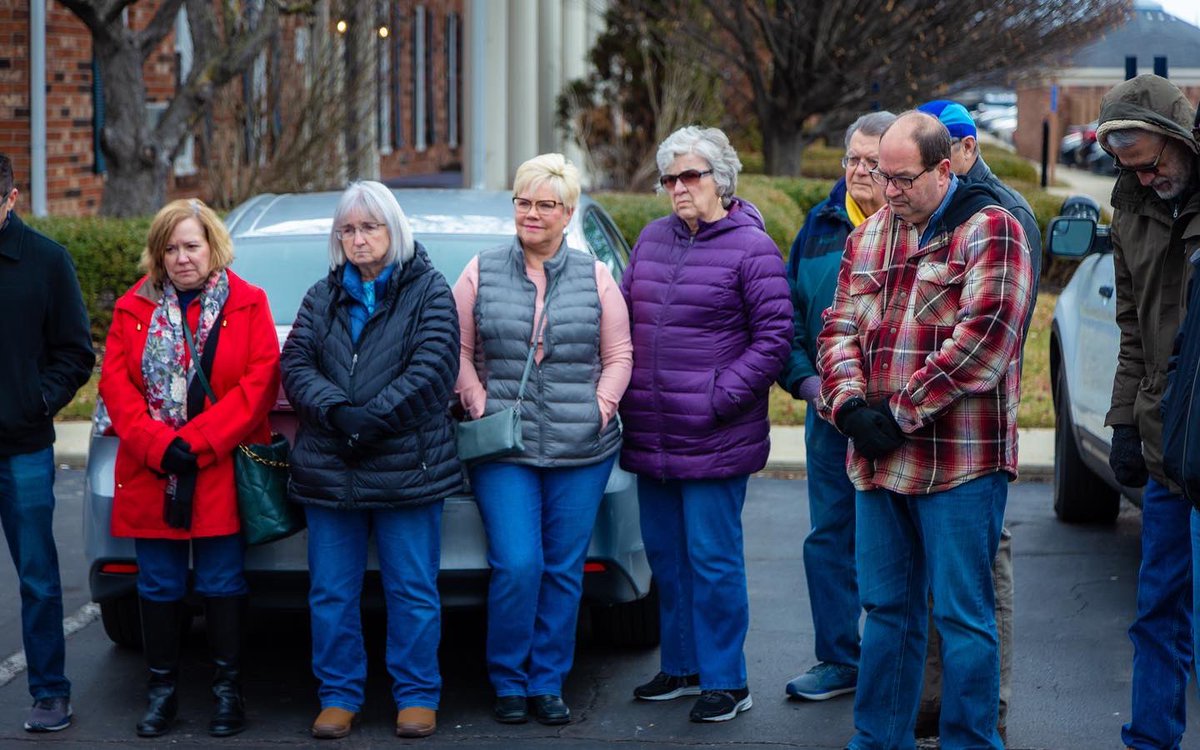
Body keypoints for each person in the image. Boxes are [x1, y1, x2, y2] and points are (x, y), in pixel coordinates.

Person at [816, 111, 1032, 749]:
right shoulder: (870, 235)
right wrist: (847, 406)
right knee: (887, 612)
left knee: (963, 617)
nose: (888, 191)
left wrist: (898, 413)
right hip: (877, 463)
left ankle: (971, 742)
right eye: (880, 176)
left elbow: (986, 342)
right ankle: (877, 740)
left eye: (903, 179)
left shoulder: (993, 229)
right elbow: (839, 327)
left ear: (944, 169)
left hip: (960, 463)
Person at [452, 153, 633, 726]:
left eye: (545, 204)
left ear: (567, 213)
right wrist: (477, 400)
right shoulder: (480, 270)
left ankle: (547, 681)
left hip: (582, 450)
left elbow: (619, 355)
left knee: (563, 569)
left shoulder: (595, 276)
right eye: (523, 202)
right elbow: (456, 350)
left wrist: (600, 409)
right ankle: (508, 678)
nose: (531, 213)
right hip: (504, 448)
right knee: (518, 564)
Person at [621, 126, 792, 723]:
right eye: (669, 178)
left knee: (713, 561)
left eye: (689, 176)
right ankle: (683, 666)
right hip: (652, 429)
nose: (677, 188)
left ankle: (726, 680)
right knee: (667, 559)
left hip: (713, 434)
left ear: (720, 180)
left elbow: (774, 340)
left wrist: (717, 398)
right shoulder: (651, 239)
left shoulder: (752, 248)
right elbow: (624, 320)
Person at [280, 180, 461, 740]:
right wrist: (338, 414)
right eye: (348, 230)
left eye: (369, 227)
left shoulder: (431, 291)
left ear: (393, 229)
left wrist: (371, 419)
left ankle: (417, 694)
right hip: (331, 465)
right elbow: (296, 365)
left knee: (412, 590)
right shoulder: (321, 296)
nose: (358, 239)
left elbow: (433, 369)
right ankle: (338, 694)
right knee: (331, 593)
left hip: (407, 464)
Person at [97, 198, 279, 738]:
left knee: (222, 581)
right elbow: (116, 388)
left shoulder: (249, 303)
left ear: (213, 247)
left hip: (218, 466)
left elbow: (259, 384)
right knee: (158, 584)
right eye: (170, 248)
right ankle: (162, 695)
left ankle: (227, 693)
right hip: (152, 469)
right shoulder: (132, 308)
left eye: (192, 246)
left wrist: (195, 444)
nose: (182, 258)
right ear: (158, 254)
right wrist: (160, 446)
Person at [912, 99, 1042, 741]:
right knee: (932, 587)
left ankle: (988, 710)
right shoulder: (915, 213)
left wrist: (907, 402)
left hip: (973, 434)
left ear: (964, 150)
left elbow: (1000, 335)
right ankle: (934, 702)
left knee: (977, 586)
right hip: (920, 436)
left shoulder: (1003, 215)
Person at [1092, 74, 1200, 750]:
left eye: (1151, 163)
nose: (1145, 178)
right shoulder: (1129, 211)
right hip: (1166, 449)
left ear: (1180, 138)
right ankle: (1150, 742)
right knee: (1157, 608)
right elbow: (1132, 329)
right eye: (1128, 168)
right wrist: (1125, 420)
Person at [777, 110, 895, 702]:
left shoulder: (920, 226)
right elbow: (788, 320)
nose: (860, 171)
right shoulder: (819, 227)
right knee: (829, 537)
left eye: (874, 162)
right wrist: (807, 384)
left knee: (896, 543)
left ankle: (895, 665)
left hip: (897, 421)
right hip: (827, 416)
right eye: (853, 159)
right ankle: (838, 659)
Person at [0, 154, 94, 733]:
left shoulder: (46, 261)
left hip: (23, 447)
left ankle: (51, 692)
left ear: (10, 199)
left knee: (36, 575)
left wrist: (35, 401)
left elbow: (76, 353)